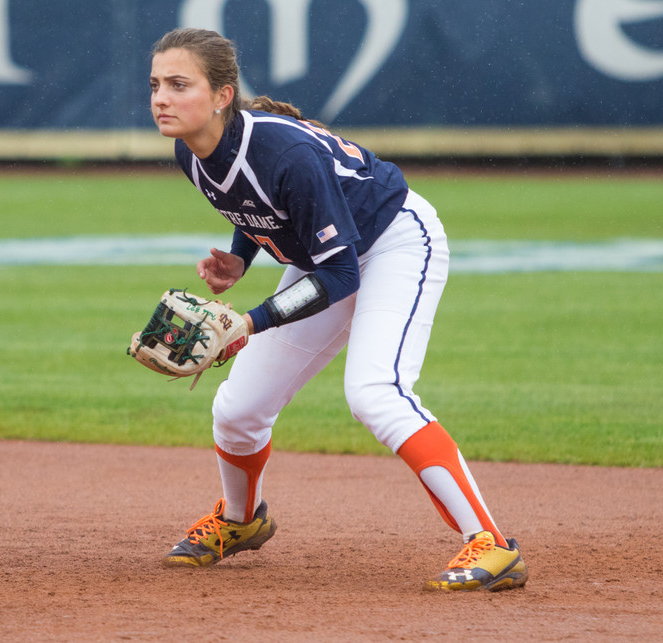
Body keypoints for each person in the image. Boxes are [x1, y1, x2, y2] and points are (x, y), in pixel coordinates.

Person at [147, 27, 528, 593]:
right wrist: (238, 259)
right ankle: (241, 520)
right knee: (237, 408)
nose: (161, 98)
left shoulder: (288, 153)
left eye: (180, 85)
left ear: (223, 95)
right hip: (328, 253)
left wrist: (248, 322)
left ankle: (493, 545)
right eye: (155, 84)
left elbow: (341, 273)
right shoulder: (192, 150)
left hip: (393, 240)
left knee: (375, 392)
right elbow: (253, 200)